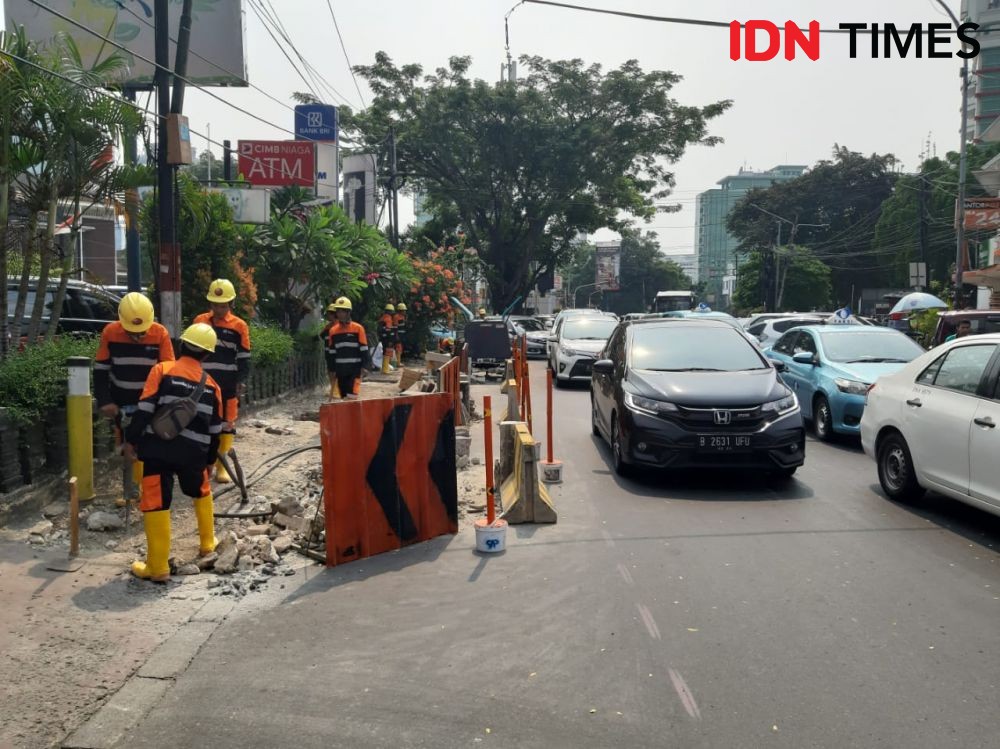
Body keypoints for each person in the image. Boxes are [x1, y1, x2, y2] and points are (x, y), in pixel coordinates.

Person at [125, 323, 224, 582]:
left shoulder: (162, 370)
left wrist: (131, 441)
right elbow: (216, 431)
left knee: (156, 500)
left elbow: (144, 410)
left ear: (181, 345)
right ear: (207, 355)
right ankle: (207, 544)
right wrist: (210, 461)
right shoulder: (213, 386)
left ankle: (157, 567)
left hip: (157, 449)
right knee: (201, 491)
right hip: (194, 454)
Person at [94, 292, 174, 506]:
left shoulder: (160, 334)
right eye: (132, 332)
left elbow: (169, 372)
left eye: (141, 332)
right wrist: (104, 400)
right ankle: (132, 489)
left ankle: (147, 491)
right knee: (126, 445)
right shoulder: (110, 333)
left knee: (148, 446)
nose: (137, 336)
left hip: (151, 403)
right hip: (121, 401)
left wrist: (162, 402)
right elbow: (101, 371)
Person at [193, 279, 251, 484]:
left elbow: (244, 357)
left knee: (227, 423)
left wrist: (241, 380)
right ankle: (201, 465)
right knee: (201, 423)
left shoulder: (239, 326)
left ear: (231, 304)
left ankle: (222, 466)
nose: (219, 308)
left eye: (223, 305)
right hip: (202, 384)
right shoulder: (199, 321)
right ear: (210, 304)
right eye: (216, 304)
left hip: (228, 384)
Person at [324, 297, 371, 399]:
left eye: (342, 311)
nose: (340, 314)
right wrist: (331, 369)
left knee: (352, 397)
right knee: (344, 398)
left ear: (348, 312)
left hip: (355, 369)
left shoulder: (358, 329)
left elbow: (364, 350)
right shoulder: (333, 331)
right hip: (341, 370)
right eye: (338, 311)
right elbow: (332, 353)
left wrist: (366, 366)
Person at [378, 303, 397, 373]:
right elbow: (388, 330)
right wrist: (391, 340)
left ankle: (384, 368)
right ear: (390, 311)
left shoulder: (382, 318)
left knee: (384, 352)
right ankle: (385, 369)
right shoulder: (388, 319)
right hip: (388, 338)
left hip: (382, 338)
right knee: (387, 353)